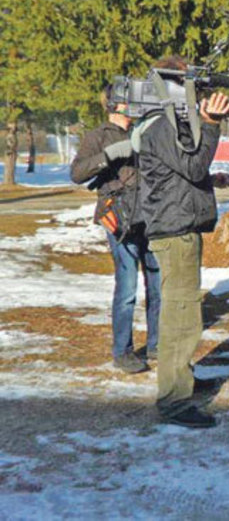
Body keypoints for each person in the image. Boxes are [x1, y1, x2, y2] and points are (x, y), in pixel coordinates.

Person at [134, 56, 229, 428]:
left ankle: (182, 380)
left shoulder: (168, 126)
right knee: (180, 317)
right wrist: (211, 125)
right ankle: (174, 400)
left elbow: (186, 173)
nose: (201, 96)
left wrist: (211, 180)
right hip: (174, 233)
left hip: (180, 228)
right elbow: (191, 166)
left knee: (183, 312)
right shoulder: (162, 127)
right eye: (195, 88)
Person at [71, 86, 160, 374]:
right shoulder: (97, 136)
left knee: (158, 286)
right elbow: (77, 173)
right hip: (119, 219)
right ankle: (123, 351)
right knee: (127, 289)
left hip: (150, 218)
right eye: (128, 99)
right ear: (114, 104)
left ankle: (157, 345)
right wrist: (111, 154)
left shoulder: (145, 133)